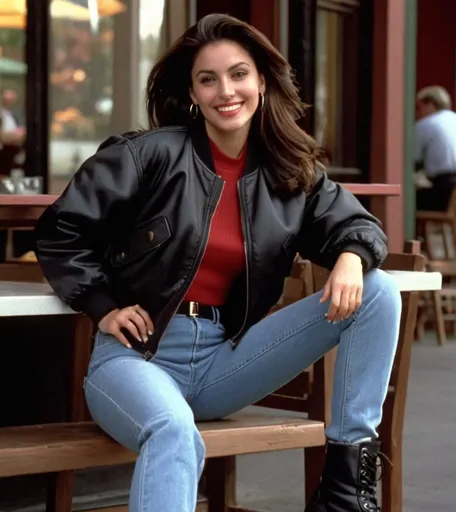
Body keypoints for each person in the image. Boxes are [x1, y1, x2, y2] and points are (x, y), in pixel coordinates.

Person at [34, 13, 401, 512]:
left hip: (222, 364)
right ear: (192, 93)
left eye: (238, 74)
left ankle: (346, 490)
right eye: (208, 79)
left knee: (378, 291)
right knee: (173, 431)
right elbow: (61, 230)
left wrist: (352, 258)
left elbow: (358, 226)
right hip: (134, 360)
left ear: (262, 83)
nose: (225, 91)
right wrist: (102, 305)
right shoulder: (147, 156)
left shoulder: (290, 174)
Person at [415, 85, 456, 211]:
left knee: (407, 199)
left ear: (430, 105)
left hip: (445, 188)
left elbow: (411, 158)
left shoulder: (425, 124)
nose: (416, 113)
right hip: (451, 191)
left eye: (419, 107)